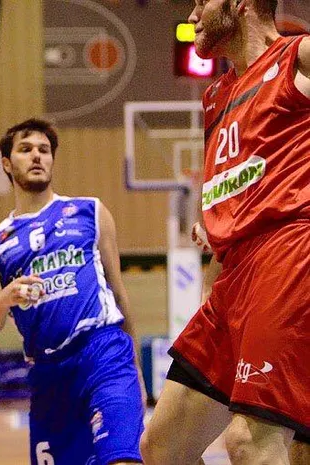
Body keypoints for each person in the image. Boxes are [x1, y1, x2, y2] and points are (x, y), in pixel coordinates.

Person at [141, 1, 310, 464]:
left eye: (201, 2)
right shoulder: (215, 97)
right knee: (161, 447)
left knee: (250, 441)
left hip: (288, 257)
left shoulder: (295, 58)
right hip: (234, 275)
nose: (192, 16)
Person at [0, 119, 145, 465]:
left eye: (44, 150)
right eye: (25, 150)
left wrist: (136, 369)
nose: (37, 156)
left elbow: (117, 291)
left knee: (121, 459)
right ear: (6, 163)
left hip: (103, 352)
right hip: (49, 373)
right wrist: (4, 299)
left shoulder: (90, 211)